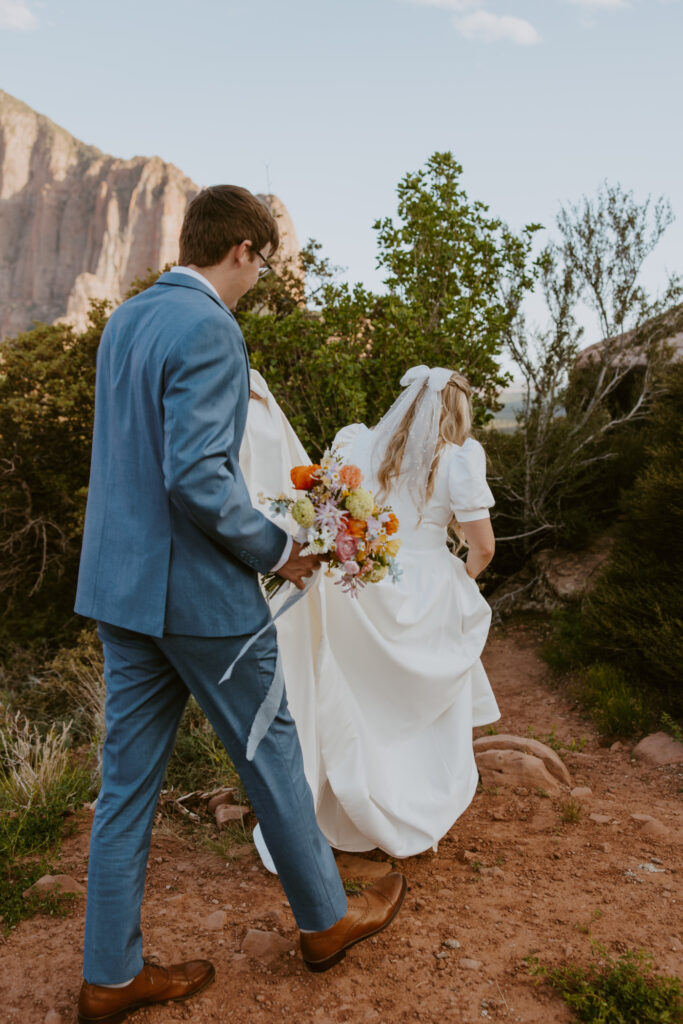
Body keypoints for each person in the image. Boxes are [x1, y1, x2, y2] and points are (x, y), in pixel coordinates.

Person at [73, 186, 406, 1024]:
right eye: (263, 263)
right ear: (245, 251)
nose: (258, 279)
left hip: (121, 592)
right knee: (271, 754)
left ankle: (109, 976)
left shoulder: (126, 321)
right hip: (200, 600)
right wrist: (280, 551)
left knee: (124, 787)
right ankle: (326, 923)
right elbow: (195, 478)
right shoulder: (211, 327)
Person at [242, 364, 500, 868]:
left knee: (356, 700)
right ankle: (410, 818)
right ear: (458, 411)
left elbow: (328, 501)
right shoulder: (460, 459)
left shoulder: (357, 443)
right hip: (425, 588)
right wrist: (460, 582)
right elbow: (483, 548)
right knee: (417, 709)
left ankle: (336, 812)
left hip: (359, 584)